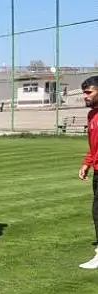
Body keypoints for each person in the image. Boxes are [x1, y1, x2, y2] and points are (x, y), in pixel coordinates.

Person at [77, 75, 98, 269]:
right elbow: (93, 145)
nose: (85, 96)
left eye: (89, 92)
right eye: (84, 93)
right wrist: (87, 163)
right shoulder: (92, 115)